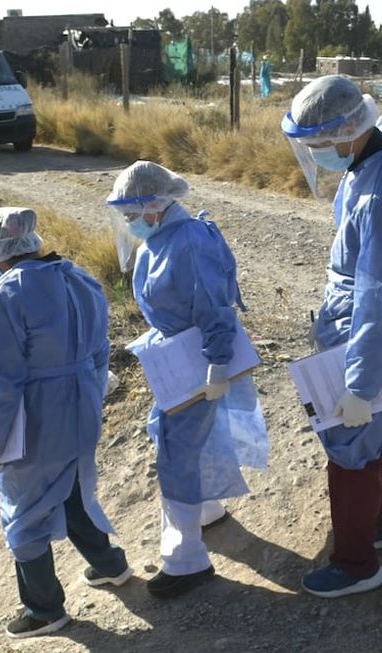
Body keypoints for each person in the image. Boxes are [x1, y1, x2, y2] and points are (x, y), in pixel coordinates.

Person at [280, 76, 382, 598]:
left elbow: (380, 296)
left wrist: (361, 385)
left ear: (349, 131)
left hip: (369, 338)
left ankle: (356, 564)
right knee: (361, 442)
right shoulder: (376, 162)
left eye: (318, 144)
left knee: (350, 446)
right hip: (361, 329)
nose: (315, 154)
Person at [107, 161, 268, 599]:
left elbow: (214, 305)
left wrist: (217, 362)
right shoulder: (161, 239)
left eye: (132, 212)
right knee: (182, 441)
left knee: (177, 452)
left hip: (198, 361)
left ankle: (186, 560)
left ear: (156, 204)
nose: (129, 222)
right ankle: (207, 511)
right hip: (179, 359)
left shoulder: (190, 242)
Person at [0, 207, 132, 639]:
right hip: (83, 403)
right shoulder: (78, 278)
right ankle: (110, 565)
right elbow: (101, 351)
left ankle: (44, 610)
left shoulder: (5, 296)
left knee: (22, 508)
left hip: (37, 414)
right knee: (73, 486)